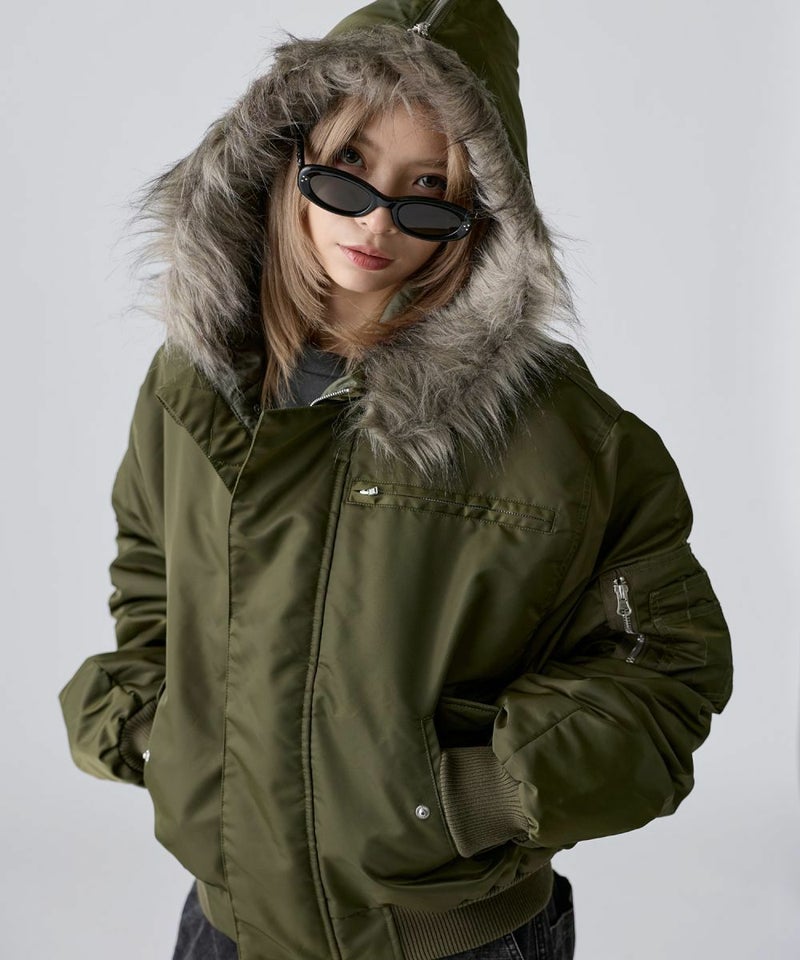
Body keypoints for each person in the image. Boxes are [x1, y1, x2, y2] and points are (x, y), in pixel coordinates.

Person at [58, 2, 733, 959]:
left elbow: (667, 662)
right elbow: (150, 577)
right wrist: (156, 728)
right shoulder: (193, 382)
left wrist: (482, 793)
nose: (376, 219)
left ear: (481, 213)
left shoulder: (554, 427)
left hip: (448, 940)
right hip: (224, 927)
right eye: (349, 167)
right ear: (284, 154)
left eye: (428, 190)